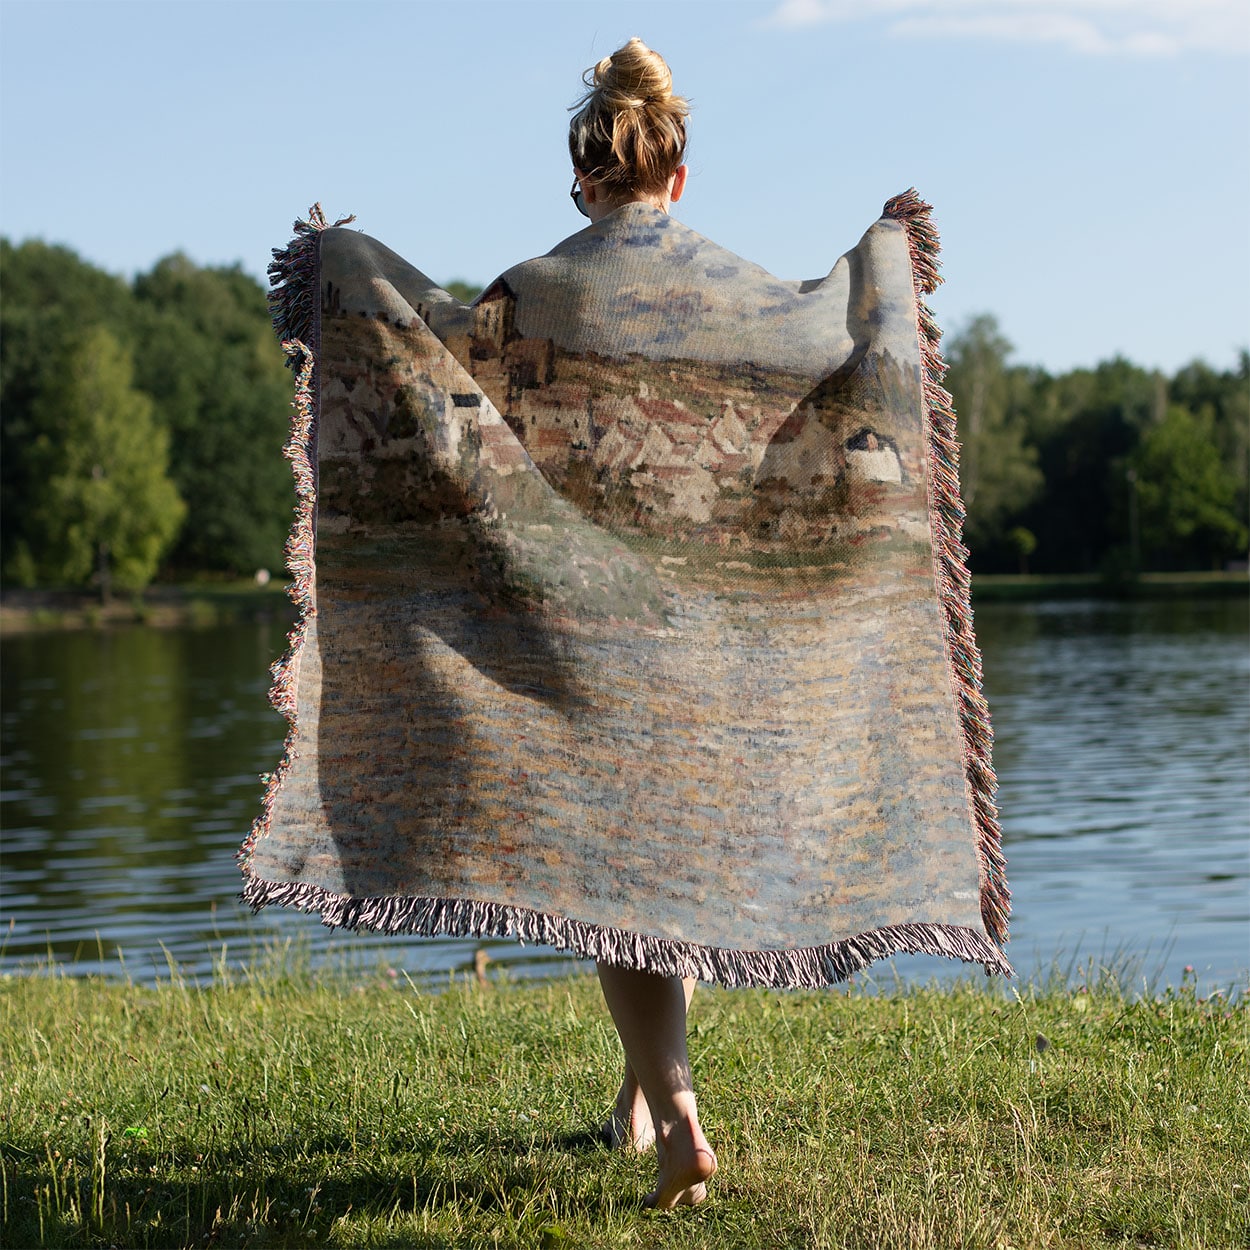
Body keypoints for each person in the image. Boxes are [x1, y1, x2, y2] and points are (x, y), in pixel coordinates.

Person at [566, 38, 716, 1211]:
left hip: (584, 628)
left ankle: (677, 1118)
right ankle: (632, 1099)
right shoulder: (729, 289)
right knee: (659, 871)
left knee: (615, 883)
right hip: (706, 629)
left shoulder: (536, 290)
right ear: (674, 174)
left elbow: (444, 400)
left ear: (584, 179)